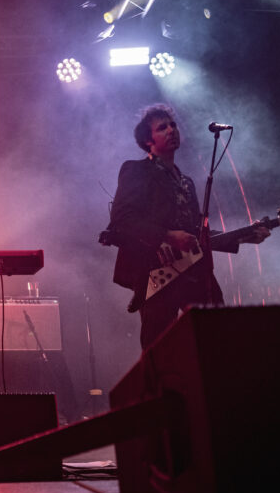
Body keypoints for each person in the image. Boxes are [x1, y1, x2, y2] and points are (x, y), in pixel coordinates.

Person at [106, 104, 268, 349]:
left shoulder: (186, 182)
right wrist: (168, 236)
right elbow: (121, 219)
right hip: (158, 271)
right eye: (162, 128)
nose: (171, 130)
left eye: (173, 125)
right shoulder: (136, 170)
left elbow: (197, 234)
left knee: (217, 335)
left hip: (195, 271)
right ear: (148, 140)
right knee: (159, 348)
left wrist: (245, 236)